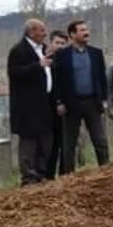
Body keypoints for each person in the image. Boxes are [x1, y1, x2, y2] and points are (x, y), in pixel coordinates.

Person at [51, 19, 110, 174]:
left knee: (100, 140)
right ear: (72, 34)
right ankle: (68, 176)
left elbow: (102, 78)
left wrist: (104, 99)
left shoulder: (96, 53)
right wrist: (59, 102)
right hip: (71, 104)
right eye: (82, 30)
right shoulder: (62, 55)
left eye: (86, 29)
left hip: (92, 102)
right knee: (69, 143)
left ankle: (106, 171)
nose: (86, 32)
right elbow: (57, 81)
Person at [6, 19, 55, 184]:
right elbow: (14, 73)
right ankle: (29, 178)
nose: (45, 34)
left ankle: (41, 174)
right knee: (29, 143)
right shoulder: (18, 50)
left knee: (46, 141)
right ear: (32, 32)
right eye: (42, 31)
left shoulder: (43, 49)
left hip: (44, 104)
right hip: (27, 107)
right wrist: (38, 65)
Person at [44, 30, 69, 180]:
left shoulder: (68, 61)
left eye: (62, 43)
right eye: (57, 43)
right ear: (51, 43)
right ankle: (48, 176)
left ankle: (65, 175)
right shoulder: (46, 61)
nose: (60, 46)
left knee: (66, 145)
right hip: (48, 110)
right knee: (51, 146)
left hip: (66, 110)